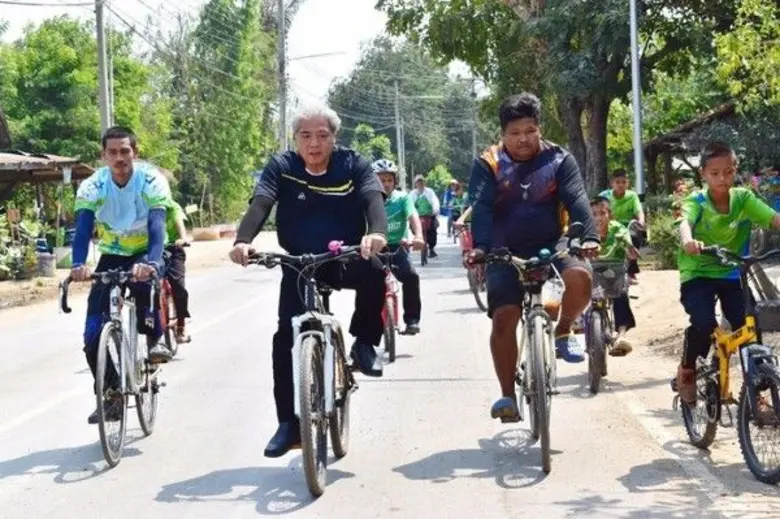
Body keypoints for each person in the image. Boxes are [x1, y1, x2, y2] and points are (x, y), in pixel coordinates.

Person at [229, 103, 388, 458]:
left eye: (322, 136)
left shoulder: (354, 164)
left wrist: (376, 232)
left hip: (345, 256)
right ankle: (288, 424)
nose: (314, 144)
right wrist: (243, 240)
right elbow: (261, 203)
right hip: (299, 264)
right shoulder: (282, 167)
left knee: (376, 268)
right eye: (305, 136)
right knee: (285, 336)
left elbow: (373, 199)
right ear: (295, 140)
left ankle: (364, 343)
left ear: (334, 138)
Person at [465, 92, 600, 422]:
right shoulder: (488, 163)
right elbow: (480, 207)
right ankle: (508, 396)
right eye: (514, 133)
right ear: (503, 133)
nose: (522, 139)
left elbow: (578, 199)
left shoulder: (559, 159)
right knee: (504, 317)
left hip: (552, 243)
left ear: (539, 128)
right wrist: (481, 247)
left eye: (529, 130)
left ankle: (564, 329)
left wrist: (589, 236)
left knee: (580, 277)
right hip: (502, 248)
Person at [71, 126, 173, 425]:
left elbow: (157, 225)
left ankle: (155, 339)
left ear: (135, 153)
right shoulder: (92, 186)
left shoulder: (152, 180)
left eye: (125, 151)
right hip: (112, 253)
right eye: (112, 152)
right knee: (92, 333)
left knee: (144, 288)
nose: (119, 158)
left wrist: (152, 264)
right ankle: (111, 393)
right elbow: (82, 229)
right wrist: (78, 264)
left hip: (146, 250)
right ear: (103, 156)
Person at [675, 141, 780, 403]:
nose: (722, 178)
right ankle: (687, 369)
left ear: (735, 169)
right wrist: (689, 240)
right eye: (715, 173)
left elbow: (773, 218)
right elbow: (685, 222)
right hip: (698, 272)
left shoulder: (743, 199)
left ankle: (756, 392)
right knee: (703, 323)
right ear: (703, 175)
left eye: (728, 171)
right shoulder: (697, 200)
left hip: (733, 274)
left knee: (750, 326)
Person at [373, 159, 425, 334]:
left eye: (389, 180)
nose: (385, 184)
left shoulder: (402, 198)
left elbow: (413, 217)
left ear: (395, 181)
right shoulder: (368, 199)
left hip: (398, 246)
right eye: (381, 180)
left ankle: (412, 320)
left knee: (411, 276)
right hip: (374, 248)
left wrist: (418, 236)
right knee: (368, 282)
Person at [590, 196, 637, 356]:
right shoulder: (586, 230)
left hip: (614, 271)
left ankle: (621, 334)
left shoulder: (618, 229)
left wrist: (629, 247)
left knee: (621, 293)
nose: (598, 218)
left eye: (602, 213)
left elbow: (627, 242)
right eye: (594, 214)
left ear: (609, 214)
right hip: (592, 272)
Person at [599, 170, 646, 284]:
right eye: (617, 182)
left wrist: (641, 221)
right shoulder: (604, 196)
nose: (620, 185)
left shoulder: (632, 195)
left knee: (633, 238)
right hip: (610, 228)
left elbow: (639, 211)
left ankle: (631, 271)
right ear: (612, 183)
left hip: (626, 229)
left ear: (627, 183)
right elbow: (596, 210)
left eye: (623, 182)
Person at [164, 199, 191, 343]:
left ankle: (181, 325)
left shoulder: (172, 206)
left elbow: (178, 221)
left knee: (178, 286)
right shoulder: (144, 205)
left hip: (173, 250)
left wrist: (182, 238)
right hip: (149, 251)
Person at [409, 175, 440, 258]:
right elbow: (409, 204)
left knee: (433, 230)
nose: (420, 184)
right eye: (418, 182)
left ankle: (432, 248)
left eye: (421, 182)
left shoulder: (429, 191)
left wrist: (435, 210)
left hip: (429, 215)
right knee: (412, 227)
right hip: (417, 216)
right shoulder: (412, 193)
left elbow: (435, 201)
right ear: (415, 184)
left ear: (424, 183)